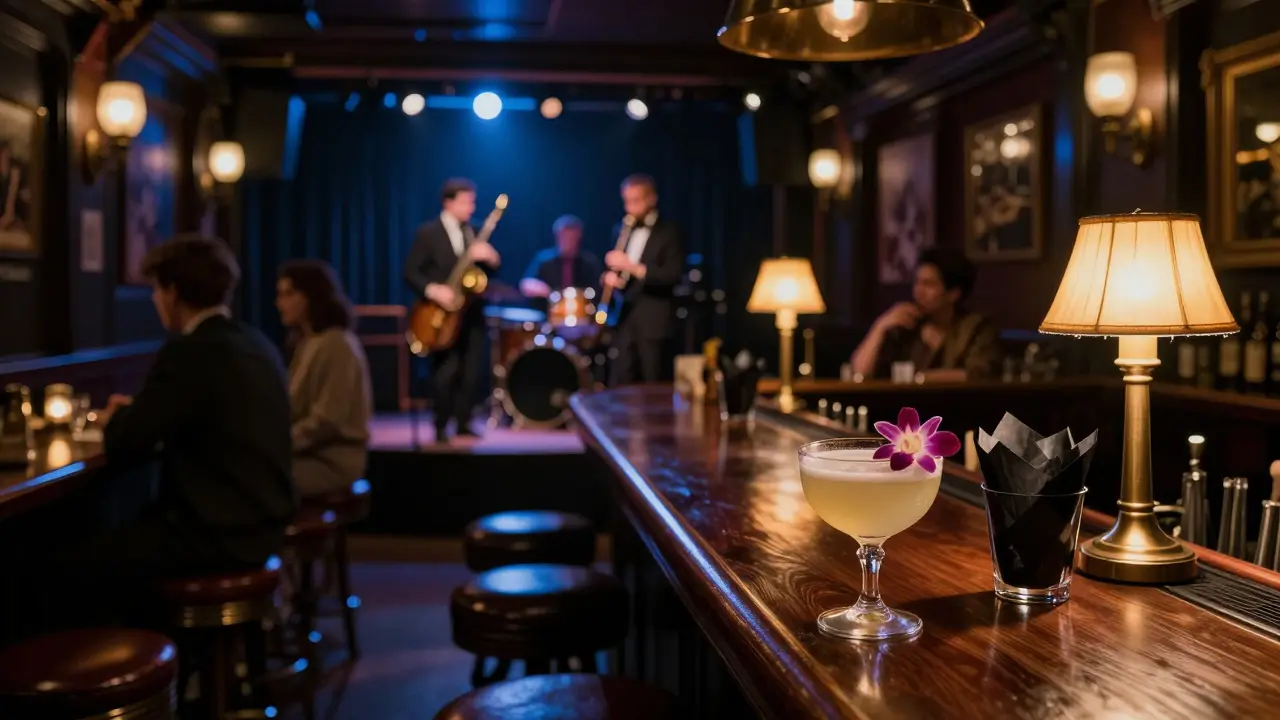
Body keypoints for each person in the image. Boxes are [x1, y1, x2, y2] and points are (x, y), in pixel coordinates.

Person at [69, 235, 296, 588]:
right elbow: (208, 416)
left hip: (213, 537)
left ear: (173, 292)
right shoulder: (257, 343)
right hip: (264, 528)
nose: (155, 300)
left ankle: (141, 641)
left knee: (66, 565)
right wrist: (140, 411)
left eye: (156, 290)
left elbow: (126, 442)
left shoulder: (189, 352)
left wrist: (118, 418)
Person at [403, 177, 500, 442]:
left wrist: (491, 257)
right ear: (448, 202)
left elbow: (488, 273)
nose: (471, 207)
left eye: (473, 201)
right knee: (446, 371)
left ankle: (463, 422)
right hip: (440, 313)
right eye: (466, 201)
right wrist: (435, 290)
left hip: (471, 312)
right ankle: (440, 425)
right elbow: (411, 272)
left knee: (471, 370)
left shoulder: (474, 231)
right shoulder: (428, 232)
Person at [276, 260, 372, 498]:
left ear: (311, 296)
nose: (280, 303)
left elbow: (327, 421)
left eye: (289, 294)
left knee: (252, 482)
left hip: (330, 462)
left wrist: (276, 445)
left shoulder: (336, 344)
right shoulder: (308, 342)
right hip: (307, 455)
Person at [850, 246, 1001, 382]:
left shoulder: (976, 327)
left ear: (953, 293)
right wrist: (880, 327)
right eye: (917, 282)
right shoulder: (906, 326)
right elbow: (860, 373)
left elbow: (979, 374)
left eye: (929, 284)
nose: (918, 292)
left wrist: (919, 378)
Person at [603, 174, 684, 385]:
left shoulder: (669, 231)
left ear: (651, 199)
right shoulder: (621, 230)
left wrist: (631, 266)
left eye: (636, 200)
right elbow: (624, 276)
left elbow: (672, 276)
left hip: (654, 320)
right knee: (623, 379)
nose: (630, 207)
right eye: (626, 201)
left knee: (652, 382)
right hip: (625, 318)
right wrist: (613, 279)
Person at [519, 214, 603, 300]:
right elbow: (526, 284)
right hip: (546, 310)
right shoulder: (544, 260)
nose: (567, 241)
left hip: (582, 310)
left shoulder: (589, 263)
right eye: (564, 237)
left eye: (571, 237)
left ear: (579, 237)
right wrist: (541, 289)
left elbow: (598, 290)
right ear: (557, 236)